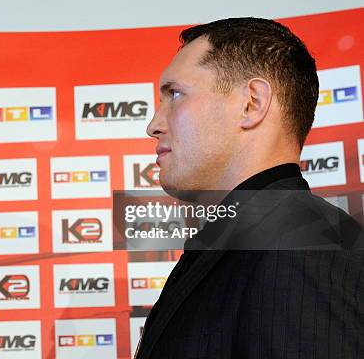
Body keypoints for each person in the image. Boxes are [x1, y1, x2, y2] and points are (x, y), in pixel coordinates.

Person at [136, 18, 364, 358]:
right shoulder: (244, 242)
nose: (153, 125)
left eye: (176, 94)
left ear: (252, 103)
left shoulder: (301, 251)